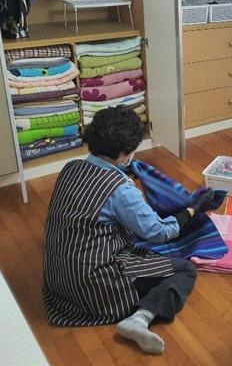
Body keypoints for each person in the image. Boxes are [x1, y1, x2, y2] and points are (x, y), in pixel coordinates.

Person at [42, 106, 212, 355]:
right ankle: (140, 319)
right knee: (184, 270)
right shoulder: (120, 189)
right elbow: (158, 232)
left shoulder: (71, 168)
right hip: (93, 286)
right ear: (123, 154)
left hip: (58, 281)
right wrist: (190, 211)